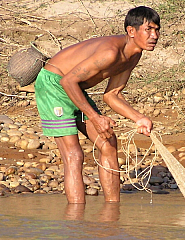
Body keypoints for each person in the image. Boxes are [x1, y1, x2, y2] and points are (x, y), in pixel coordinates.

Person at [34, 6, 160, 204]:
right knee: (74, 155)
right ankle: (75, 220)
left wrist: (139, 118)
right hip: (53, 85)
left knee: (109, 144)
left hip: (73, 88)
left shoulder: (134, 55)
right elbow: (67, 82)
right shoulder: (110, 52)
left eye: (157, 29)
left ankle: (112, 214)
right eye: (149, 29)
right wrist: (95, 117)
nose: (154, 35)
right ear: (131, 31)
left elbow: (111, 95)